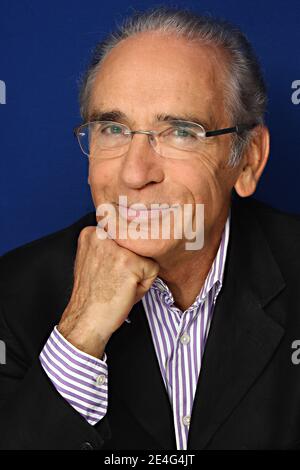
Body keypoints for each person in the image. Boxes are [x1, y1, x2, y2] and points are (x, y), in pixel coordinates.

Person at [0, 7, 300, 450]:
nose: (135, 173)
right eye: (113, 128)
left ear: (248, 160)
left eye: (180, 131)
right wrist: (81, 333)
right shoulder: (12, 295)